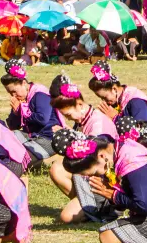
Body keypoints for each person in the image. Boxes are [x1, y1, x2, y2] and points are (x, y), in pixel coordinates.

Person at [47, 74, 119, 224]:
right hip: (89, 175)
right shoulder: (84, 119)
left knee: (66, 217)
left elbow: (96, 165)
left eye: (68, 114)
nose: (67, 118)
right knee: (56, 169)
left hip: (103, 180)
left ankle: (95, 207)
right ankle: (83, 203)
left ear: (79, 104)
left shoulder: (98, 126)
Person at [1, 59, 63, 165]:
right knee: (7, 137)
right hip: (32, 137)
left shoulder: (40, 94)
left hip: (48, 138)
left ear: (24, 83)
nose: (13, 96)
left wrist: (21, 112)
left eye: (14, 92)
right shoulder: (21, 98)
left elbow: (42, 119)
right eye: (10, 93)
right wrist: (16, 113)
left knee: (21, 156)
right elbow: (12, 126)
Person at [88, 60, 147, 125]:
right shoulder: (118, 101)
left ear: (114, 89)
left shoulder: (136, 102)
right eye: (101, 98)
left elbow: (141, 130)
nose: (104, 102)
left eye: (104, 98)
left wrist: (115, 118)